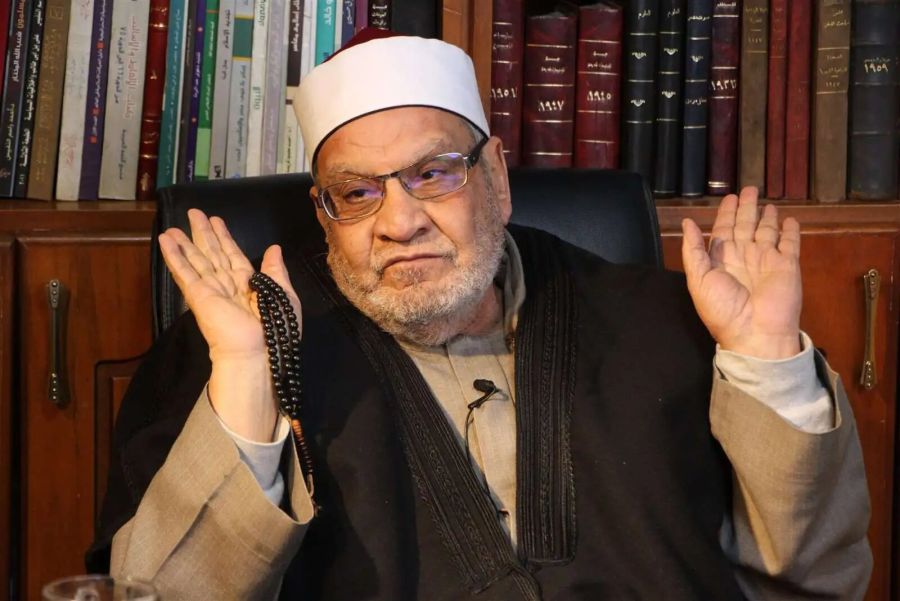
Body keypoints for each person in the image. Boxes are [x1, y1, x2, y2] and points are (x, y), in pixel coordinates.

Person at [88, 29, 872, 600]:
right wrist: (244, 386)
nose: (399, 222)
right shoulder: (247, 347)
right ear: (323, 213)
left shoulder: (662, 322)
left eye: (433, 173)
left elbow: (814, 582)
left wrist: (767, 360)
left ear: (496, 174)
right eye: (357, 192)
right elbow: (154, 591)